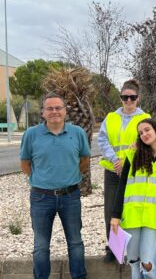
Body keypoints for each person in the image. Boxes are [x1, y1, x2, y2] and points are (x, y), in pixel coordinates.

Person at [20, 92, 91, 279]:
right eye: (49, 108)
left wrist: (71, 176)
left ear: (65, 111)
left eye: (58, 108)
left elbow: (84, 160)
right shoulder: (31, 134)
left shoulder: (77, 133)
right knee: (41, 246)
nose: (54, 112)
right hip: (41, 197)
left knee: (75, 242)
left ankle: (79, 277)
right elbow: (25, 164)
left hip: (71, 196)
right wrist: (41, 179)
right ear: (42, 112)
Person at [110, 118, 156, 279]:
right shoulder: (132, 156)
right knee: (134, 263)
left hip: (154, 218)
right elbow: (121, 187)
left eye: (147, 130)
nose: (144, 134)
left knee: (149, 264)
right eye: (141, 133)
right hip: (132, 217)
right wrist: (115, 216)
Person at [98, 79, 150, 262]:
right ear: (120, 98)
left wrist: (126, 161)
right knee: (112, 209)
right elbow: (103, 140)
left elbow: (147, 143)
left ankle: (134, 248)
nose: (128, 101)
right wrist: (115, 160)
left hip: (134, 171)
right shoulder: (111, 117)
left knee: (131, 209)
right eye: (124, 97)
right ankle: (114, 248)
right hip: (113, 170)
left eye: (132, 97)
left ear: (138, 98)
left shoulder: (145, 119)